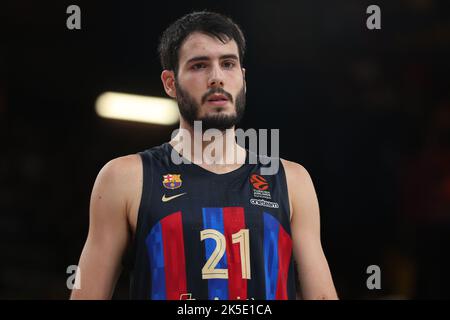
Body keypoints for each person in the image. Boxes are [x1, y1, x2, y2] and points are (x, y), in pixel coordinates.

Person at [70, 11, 338, 300]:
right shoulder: (125, 177)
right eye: (199, 65)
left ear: (243, 78)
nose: (216, 78)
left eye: (228, 64)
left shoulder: (291, 179)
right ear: (170, 83)